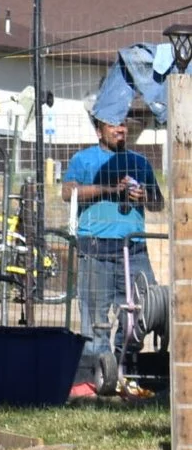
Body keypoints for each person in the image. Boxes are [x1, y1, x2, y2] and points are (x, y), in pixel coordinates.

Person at [62, 116, 164, 397]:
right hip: (95, 247)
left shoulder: (140, 162)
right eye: (112, 125)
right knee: (95, 317)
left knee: (145, 310)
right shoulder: (84, 160)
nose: (120, 130)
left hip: (134, 249)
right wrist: (107, 189)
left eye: (123, 125)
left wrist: (144, 196)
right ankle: (99, 378)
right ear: (99, 130)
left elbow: (159, 202)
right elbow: (67, 192)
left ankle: (124, 368)